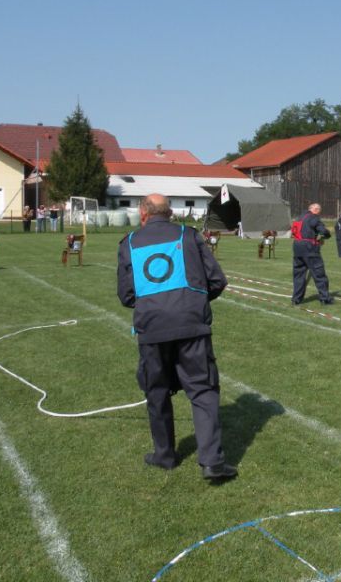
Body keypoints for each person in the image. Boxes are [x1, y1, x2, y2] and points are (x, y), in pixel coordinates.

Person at [116, 193, 237, 480]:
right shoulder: (190, 236)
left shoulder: (129, 243)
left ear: (143, 213)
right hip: (191, 324)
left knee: (156, 390)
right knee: (203, 390)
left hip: (152, 326)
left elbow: (126, 295)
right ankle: (211, 461)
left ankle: (164, 454)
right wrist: (193, 303)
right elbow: (217, 280)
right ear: (169, 213)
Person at [291, 202, 333, 304]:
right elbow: (323, 231)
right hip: (309, 248)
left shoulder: (298, 218)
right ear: (316, 210)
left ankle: (296, 299)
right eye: (319, 211)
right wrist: (326, 235)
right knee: (319, 274)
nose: (319, 213)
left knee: (299, 275)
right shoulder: (313, 218)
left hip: (297, 246)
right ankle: (325, 298)